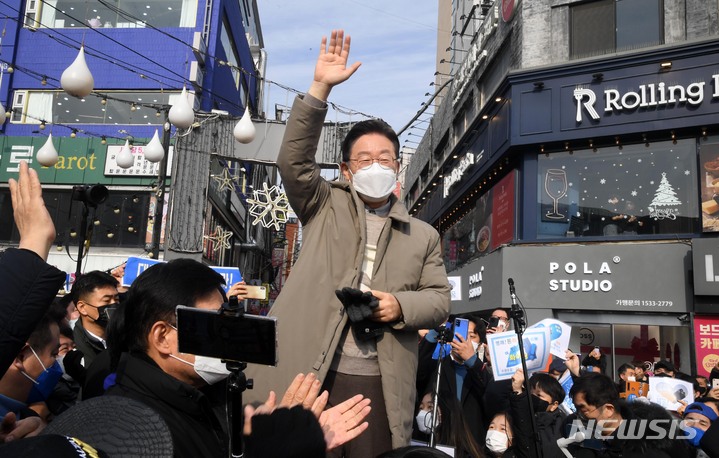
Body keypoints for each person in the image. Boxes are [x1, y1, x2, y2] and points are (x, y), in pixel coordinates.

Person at [245, 29, 451, 456]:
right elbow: (293, 161)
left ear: (398, 167)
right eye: (364, 159)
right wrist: (320, 87)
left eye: (385, 159)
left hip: (380, 378)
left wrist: (398, 306)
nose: (376, 166)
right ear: (344, 169)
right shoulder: (323, 204)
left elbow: (439, 301)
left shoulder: (424, 234)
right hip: (311, 371)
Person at [64, 271, 119, 386]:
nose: (113, 305)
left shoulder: (127, 341)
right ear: (82, 307)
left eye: (116, 300)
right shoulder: (70, 345)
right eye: (106, 301)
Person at [509, 370, 566, 458]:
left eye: (539, 395)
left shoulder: (562, 425)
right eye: (530, 393)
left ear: (554, 405)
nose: (532, 397)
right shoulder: (518, 414)